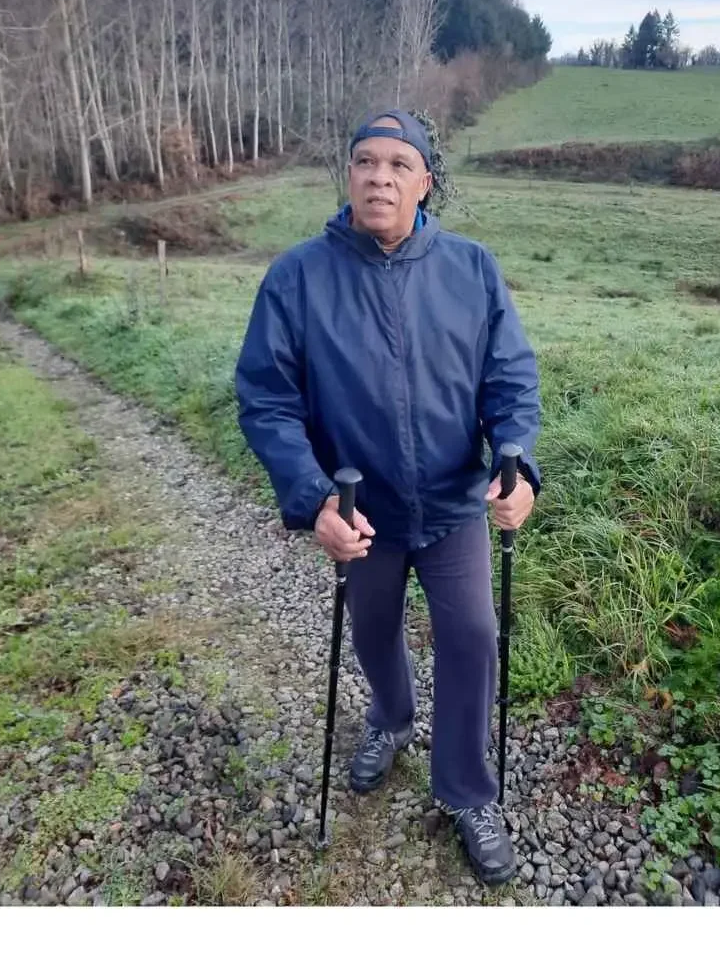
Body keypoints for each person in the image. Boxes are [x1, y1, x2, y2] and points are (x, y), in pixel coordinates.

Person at [235, 108, 541, 886]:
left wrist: (516, 462)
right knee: (372, 632)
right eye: (366, 162)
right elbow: (267, 399)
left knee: (472, 636)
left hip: (449, 505)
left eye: (398, 164)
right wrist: (313, 498)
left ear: (424, 182)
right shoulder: (298, 276)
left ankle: (468, 791)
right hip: (359, 512)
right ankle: (391, 719)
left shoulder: (471, 269)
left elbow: (510, 380)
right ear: (349, 176)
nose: (380, 176)